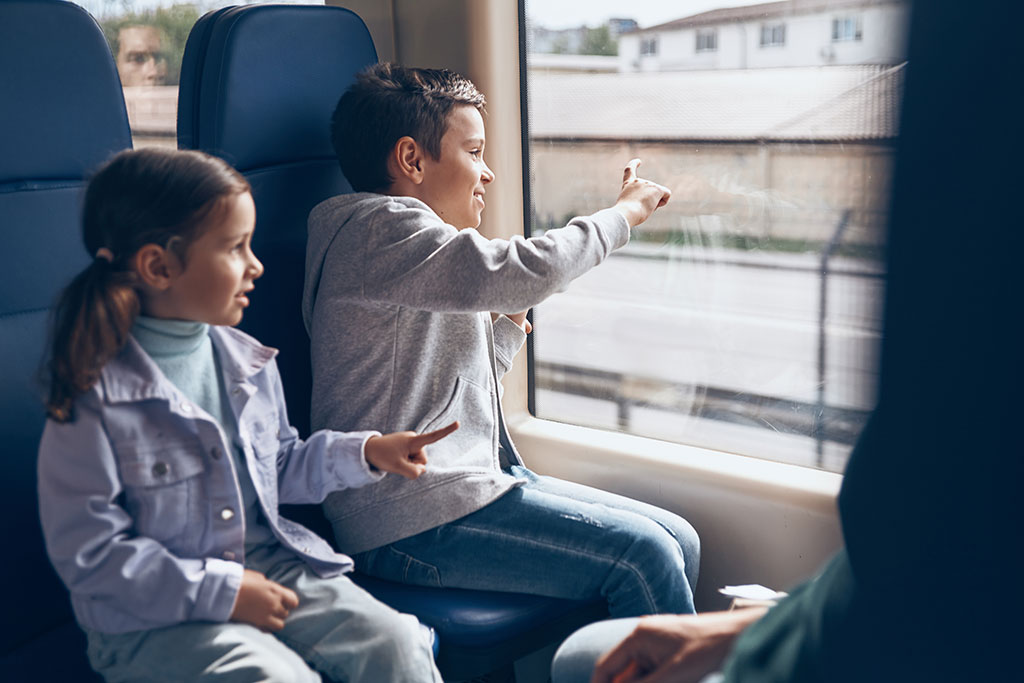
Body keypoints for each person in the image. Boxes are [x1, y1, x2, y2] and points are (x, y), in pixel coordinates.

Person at [37, 148, 455, 682]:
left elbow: (276, 469)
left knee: (397, 644)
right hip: (149, 620)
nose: (255, 265)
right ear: (158, 266)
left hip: (267, 569)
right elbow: (93, 558)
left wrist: (366, 451)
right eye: (235, 248)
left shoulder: (246, 363)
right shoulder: (92, 399)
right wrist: (225, 591)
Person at [302, 62, 699, 620]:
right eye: (474, 153)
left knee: (679, 537)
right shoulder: (379, 228)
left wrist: (506, 329)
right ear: (412, 159)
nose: (487, 174)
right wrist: (625, 213)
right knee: (646, 556)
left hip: (463, 486)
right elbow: (523, 267)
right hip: (405, 519)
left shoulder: (413, 250)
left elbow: (447, 390)